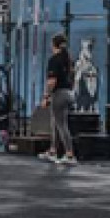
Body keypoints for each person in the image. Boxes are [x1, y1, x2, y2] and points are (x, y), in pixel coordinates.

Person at [41, 34, 77, 165]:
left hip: (59, 95)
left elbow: (52, 82)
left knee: (61, 125)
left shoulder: (54, 59)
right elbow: (73, 80)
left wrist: (46, 96)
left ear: (53, 45)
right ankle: (52, 151)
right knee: (55, 123)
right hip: (69, 93)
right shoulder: (69, 60)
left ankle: (70, 155)